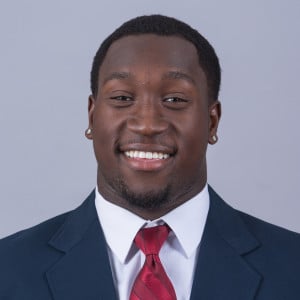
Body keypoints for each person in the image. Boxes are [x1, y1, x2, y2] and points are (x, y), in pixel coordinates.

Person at [0, 14, 299, 300]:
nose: (146, 124)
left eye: (174, 100)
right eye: (122, 98)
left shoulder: (291, 267)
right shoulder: (8, 269)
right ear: (92, 117)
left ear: (212, 122)